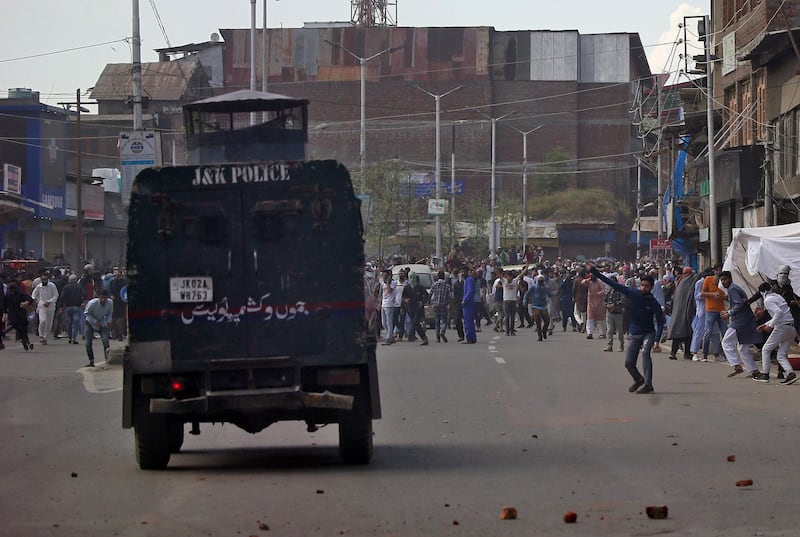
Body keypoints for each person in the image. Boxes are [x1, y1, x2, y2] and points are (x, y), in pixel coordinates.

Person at [590, 264, 664, 394]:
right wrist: (594, 271)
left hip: (648, 333)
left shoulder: (654, 304)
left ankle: (648, 384)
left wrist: (657, 340)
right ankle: (638, 379)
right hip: (634, 332)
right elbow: (613, 284)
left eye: (647, 286)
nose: (644, 288)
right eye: (642, 285)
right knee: (629, 363)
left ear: (651, 287)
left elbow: (660, 322)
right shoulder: (634, 294)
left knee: (645, 354)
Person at [718, 271, 761, 378]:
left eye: (725, 279)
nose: (723, 282)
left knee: (726, 342)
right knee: (743, 348)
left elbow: (739, 304)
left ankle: (736, 365)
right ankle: (754, 371)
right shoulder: (734, 288)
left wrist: (728, 313)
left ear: (729, 279)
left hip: (740, 322)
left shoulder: (732, 289)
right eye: (721, 280)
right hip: (746, 320)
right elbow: (739, 302)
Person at [753, 282, 797, 384]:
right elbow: (781, 314)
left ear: (763, 292)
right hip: (791, 328)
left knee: (766, 349)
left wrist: (770, 326)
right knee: (781, 354)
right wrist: (766, 324)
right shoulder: (778, 297)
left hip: (782, 328)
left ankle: (765, 375)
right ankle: (790, 373)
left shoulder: (768, 300)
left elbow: (778, 313)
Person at [666, 266, 698, 360]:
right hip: (684, 312)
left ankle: (676, 353)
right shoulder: (688, 280)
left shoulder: (681, 282)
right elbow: (698, 276)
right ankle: (684, 353)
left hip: (677, 312)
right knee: (686, 333)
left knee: (680, 333)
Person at [700, 263, 726, 362]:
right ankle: (704, 354)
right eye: (716, 270)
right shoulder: (708, 279)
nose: (718, 272)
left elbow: (727, 296)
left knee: (725, 332)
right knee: (708, 332)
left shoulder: (724, 282)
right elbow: (702, 293)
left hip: (721, 309)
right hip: (710, 309)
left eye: (720, 270)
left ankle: (725, 354)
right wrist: (712, 294)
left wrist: (722, 297)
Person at [84, 288, 113, 367]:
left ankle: (107, 359)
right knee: (88, 343)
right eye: (101, 298)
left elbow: (109, 313)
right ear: (98, 297)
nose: (103, 300)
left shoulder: (110, 303)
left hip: (102, 322)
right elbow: (87, 314)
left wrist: (109, 321)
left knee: (105, 341)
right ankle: (91, 360)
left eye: (105, 298)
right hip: (90, 322)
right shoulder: (92, 303)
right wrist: (94, 321)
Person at [5, 280, 34, 351]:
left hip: (20, 315)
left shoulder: (20, 294)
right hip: (14, 316)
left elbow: (30, 299)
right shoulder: (7, 296)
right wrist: (4, 313)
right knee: (20, 330)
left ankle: (26, 341)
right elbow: (4, 306)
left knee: (23, 330)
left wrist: (26, 302)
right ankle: (26, 341)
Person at [31, 271, 59, 346]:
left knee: (49, 323)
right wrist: (32, 300)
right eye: (43, 280)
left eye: (45, 280)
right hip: (42, 306)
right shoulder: (39, 286)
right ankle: (41, 335)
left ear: (48, 279)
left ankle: (45, 337)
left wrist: (49, 301)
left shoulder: (52, 286)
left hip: (51, 306)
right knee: (43, 320)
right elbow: (34, 294)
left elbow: (56, 295)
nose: (44, 281)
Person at [402, 273, 429, 345]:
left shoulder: (420, 287)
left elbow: (426, 296)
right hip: (410, 308)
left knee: (415, 322)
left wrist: (422, 302)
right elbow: (403, 297)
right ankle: (423, 338)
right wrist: (405, 300)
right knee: (416, 324)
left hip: (418, 308)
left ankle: (414, 335)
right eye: (410, 277)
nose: (412, 279)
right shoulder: (407, 288)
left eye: (413, 277)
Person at [524, 274, 551, 341]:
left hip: (544, 306)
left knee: (547, 321)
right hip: (536, 306)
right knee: (538, 322)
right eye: (539, 280)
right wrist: (525, 301)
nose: (541, 281)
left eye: (542, 280)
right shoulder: (534, 287)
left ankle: (544, 331)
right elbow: (527, 294)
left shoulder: (545, 287)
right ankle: (539, 336)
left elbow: (550, 294)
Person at [603, 275, 626, 352]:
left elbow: (623, 301)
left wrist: (615, 305)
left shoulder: (620, 290)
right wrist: (607, 305)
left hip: (618, 313)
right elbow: (604, 299)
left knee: (619, 331)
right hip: (609, 312)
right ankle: (609, 345)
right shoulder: (608, 290)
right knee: (609, 330)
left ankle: (621, 344)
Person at [581, 269, 606, 339]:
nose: (592, 276)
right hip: (591, 303)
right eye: (591, 275)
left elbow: (603, 290)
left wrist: (597, 294)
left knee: (601, 320)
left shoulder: (599, 282)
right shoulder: (589, 282)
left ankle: (603, 333)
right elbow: (582, 282)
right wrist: (587, 280)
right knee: (590, 319)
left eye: (593, 275)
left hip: (599, 303)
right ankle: (590, 333)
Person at [60, 274, 84, 344]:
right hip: (77, 307)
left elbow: (62, 297)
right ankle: (74, 338)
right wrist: (81, 301)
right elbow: (84, 294)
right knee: (75, 323)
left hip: (68, 307)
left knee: (69, 323)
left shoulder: (66, 287)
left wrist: (61, 306)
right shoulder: (79, 286)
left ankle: (70, 337)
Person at [429, 270, 452, 343]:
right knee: (444, 321)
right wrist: (449, 302)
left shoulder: (434, 284)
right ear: (444, 277)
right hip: (443, 305)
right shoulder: (447, 285)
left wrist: (428, 302)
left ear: (438, 276)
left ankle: (438, 337)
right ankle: (442, 332)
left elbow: (430, 294)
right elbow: (451, 295)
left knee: (437, 321)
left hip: (436, 305)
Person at [379, 270, 397, 346]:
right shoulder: (382, 283)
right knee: (384, 323)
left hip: (389, 305)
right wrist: (379, 303)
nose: (384, 277)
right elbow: (381, 294)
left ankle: (389, 338)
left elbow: (389, 291)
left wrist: (388, 283)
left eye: (385, 275)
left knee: (389, 323)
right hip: (383, 304)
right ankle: (391, 336)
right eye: (383, 275)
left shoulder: (393, 283)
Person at [462, 267, 477, 344]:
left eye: (463, 272)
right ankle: (472, 337)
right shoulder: (466, 280)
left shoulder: (469, 280)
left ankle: (469, 338)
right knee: (469, 321)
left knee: (468, 321)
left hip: (468, 303)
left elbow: (470, 291)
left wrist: (465, 300)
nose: (462, 274)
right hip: (468, 303)